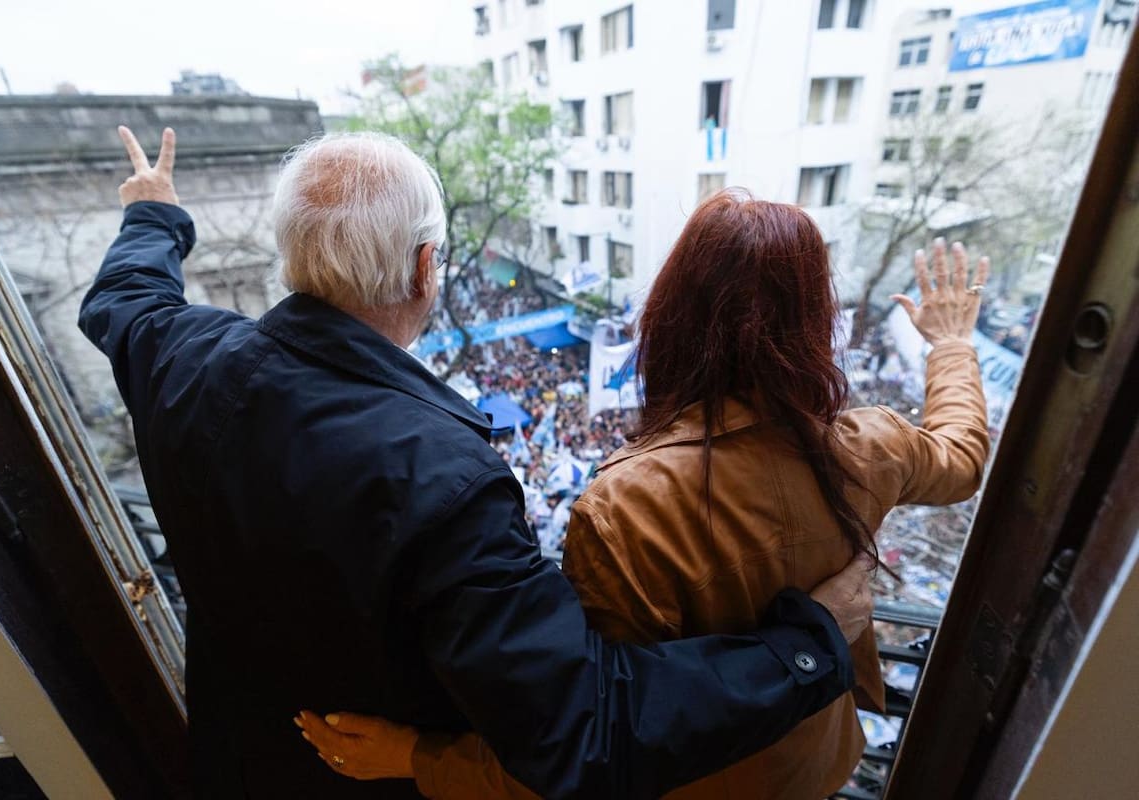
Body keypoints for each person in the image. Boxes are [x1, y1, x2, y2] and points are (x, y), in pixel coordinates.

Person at [80, 130, 875, 799]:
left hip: (237, 754)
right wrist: (806, 649)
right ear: (428, 267)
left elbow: (122, 302)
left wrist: (153, 213)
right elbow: (582, 726)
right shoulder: (440, 478)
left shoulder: (181, 358)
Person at [299, 191, 991, 799]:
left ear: (672, 316)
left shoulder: (629, 504)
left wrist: (419, 760)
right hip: (818, 763)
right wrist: (952, 346)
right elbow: (961, 458)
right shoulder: (873, 447)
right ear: (814, 320)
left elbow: (586, 740)